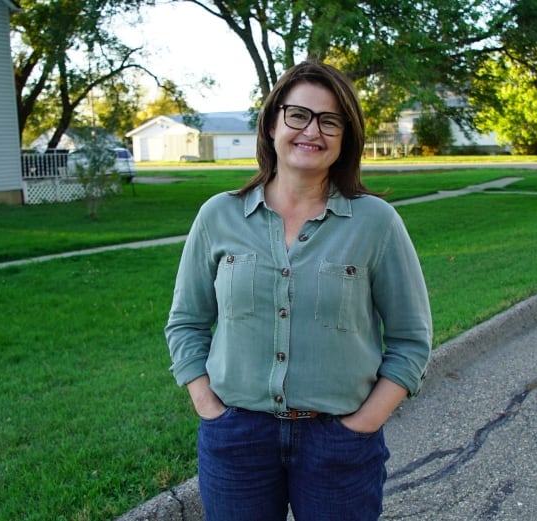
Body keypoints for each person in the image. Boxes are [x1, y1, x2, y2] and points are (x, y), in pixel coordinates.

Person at [164, 60, 432, 521]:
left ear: (346, 137)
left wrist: (362, 425)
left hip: (339, 445)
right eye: (299, 115)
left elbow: (411, 340)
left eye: (330, 121)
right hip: (237, 440)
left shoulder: (376, 223)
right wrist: (209, 408)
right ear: (272, 123)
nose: (313, 131)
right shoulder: (217, 216)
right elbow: (186, 323)